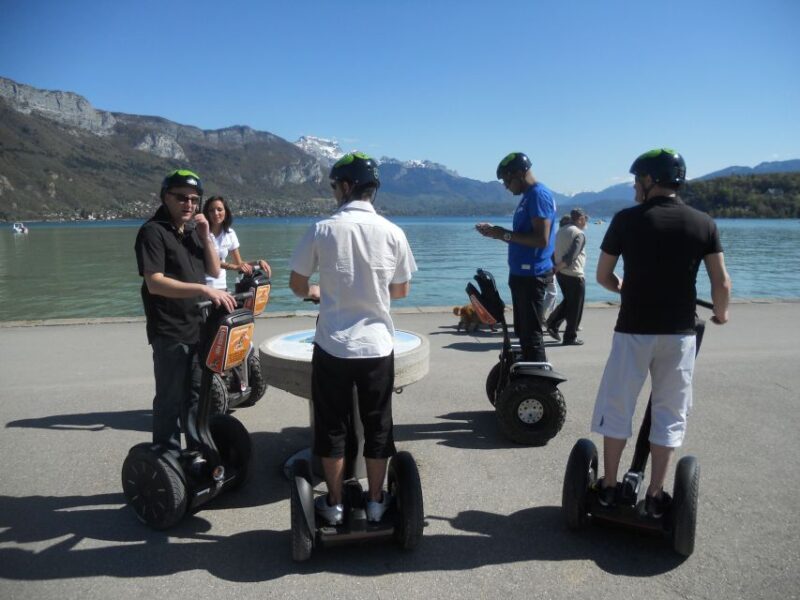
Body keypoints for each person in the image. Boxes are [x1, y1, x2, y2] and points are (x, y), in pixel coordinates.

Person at [590, 148, 731, 517]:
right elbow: (722, 282)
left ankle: (608, 487)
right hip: (679, 334)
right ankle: (654, 495)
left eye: (638, 180)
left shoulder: (625, 220)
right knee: (670, 413)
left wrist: (621, 286)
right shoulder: (704, 223)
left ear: (650, 180)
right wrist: (721, 313)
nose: (635, 187)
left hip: (633, 331)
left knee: (618, 405)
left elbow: (603, 276)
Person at [288, 152, 417, 525]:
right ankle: (376, 503)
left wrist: (322, 292)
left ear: (345, 187)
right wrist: (369, 292)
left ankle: (336, 502)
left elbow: (297, 285)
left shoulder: (322, 229)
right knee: (378, 424)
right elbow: (402, 289)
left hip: (333, 346)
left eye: (334, 187)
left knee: (332, 426)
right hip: (377, 346)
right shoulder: (394, 232)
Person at [134, 169, 236, 450]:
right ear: (165, 197)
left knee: (194, 395)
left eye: (194, 199)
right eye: (181, 198)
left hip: (196, 326)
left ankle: (195, 452)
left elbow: (214, 269)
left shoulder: (192, 231)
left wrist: (205, 236)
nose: (189, 204)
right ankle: (166, 458)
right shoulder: (152, 232)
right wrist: (204, 290)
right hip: (168, 329)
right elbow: (155, 283)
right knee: (169, 399)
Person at [476, 152, 556, 362]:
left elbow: (541, 239)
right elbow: (522, 237)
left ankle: (538, 385)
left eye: (506, 180)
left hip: (532, 275)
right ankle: (528, 378)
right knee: (523, 334)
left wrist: (502, 233)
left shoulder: (538, 194)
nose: (505, 186)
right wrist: (497, 233)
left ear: (520, 173)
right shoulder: (528, 197)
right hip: (521, 275)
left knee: (532, 335)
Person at [202, 195, 272, 290]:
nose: (215, 213)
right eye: (211, 210)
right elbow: (209, 261)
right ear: (207, 213)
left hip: (222, 288)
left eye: (219, 209)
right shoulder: (201, 233)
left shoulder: (230, 234)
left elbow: (239, 263)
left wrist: (258, 262)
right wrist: (235, 267)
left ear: (225, 212)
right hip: (204, 287)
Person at [546, 207, 588, 345]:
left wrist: (556, 268)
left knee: (569, 302)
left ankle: (552, 323)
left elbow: (553, 251)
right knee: (576, 306)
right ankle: (570, 336)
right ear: (580, 219)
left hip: (561, 274)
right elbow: (572, 256)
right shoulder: (579, 234)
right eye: (585, 220)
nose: (586, 222)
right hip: (574, 273)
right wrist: (558, 267)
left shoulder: (560, 231)